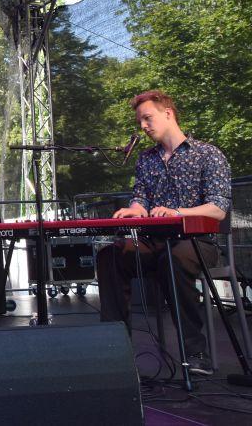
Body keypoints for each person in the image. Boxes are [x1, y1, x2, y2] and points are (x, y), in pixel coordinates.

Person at [95, 90, 230, 375]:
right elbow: (140, 199)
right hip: (154, 241)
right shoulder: (146, 159)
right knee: (110, 256)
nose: (143, 126)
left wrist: (178, 212)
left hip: (196, 242)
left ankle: (195, 352)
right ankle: (115, 351)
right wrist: (135, 209)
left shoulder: (207, 154)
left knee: (175, 258)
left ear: (168, 114)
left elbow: (218, 208)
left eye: (148, 118)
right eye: (140, 121)